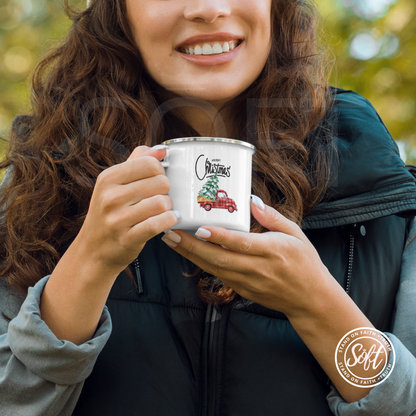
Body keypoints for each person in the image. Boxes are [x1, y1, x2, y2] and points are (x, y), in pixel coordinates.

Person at [1, 0, 416, 415]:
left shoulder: (388, 200)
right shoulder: (35, 192)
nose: (208, 8)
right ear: (116, 10)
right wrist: (88, 263)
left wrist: (317, 305)